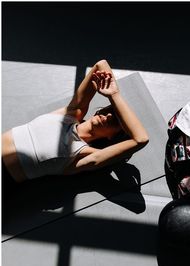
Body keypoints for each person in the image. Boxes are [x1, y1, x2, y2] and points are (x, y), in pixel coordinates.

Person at [2, 59, 149, 195]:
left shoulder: (85, 155)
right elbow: (101, 65)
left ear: (111, 137)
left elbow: (140, 139)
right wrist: (111, 92)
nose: (108, 116)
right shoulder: (70, 114)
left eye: (116, 121)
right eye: (109, 110)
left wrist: (115, 96)